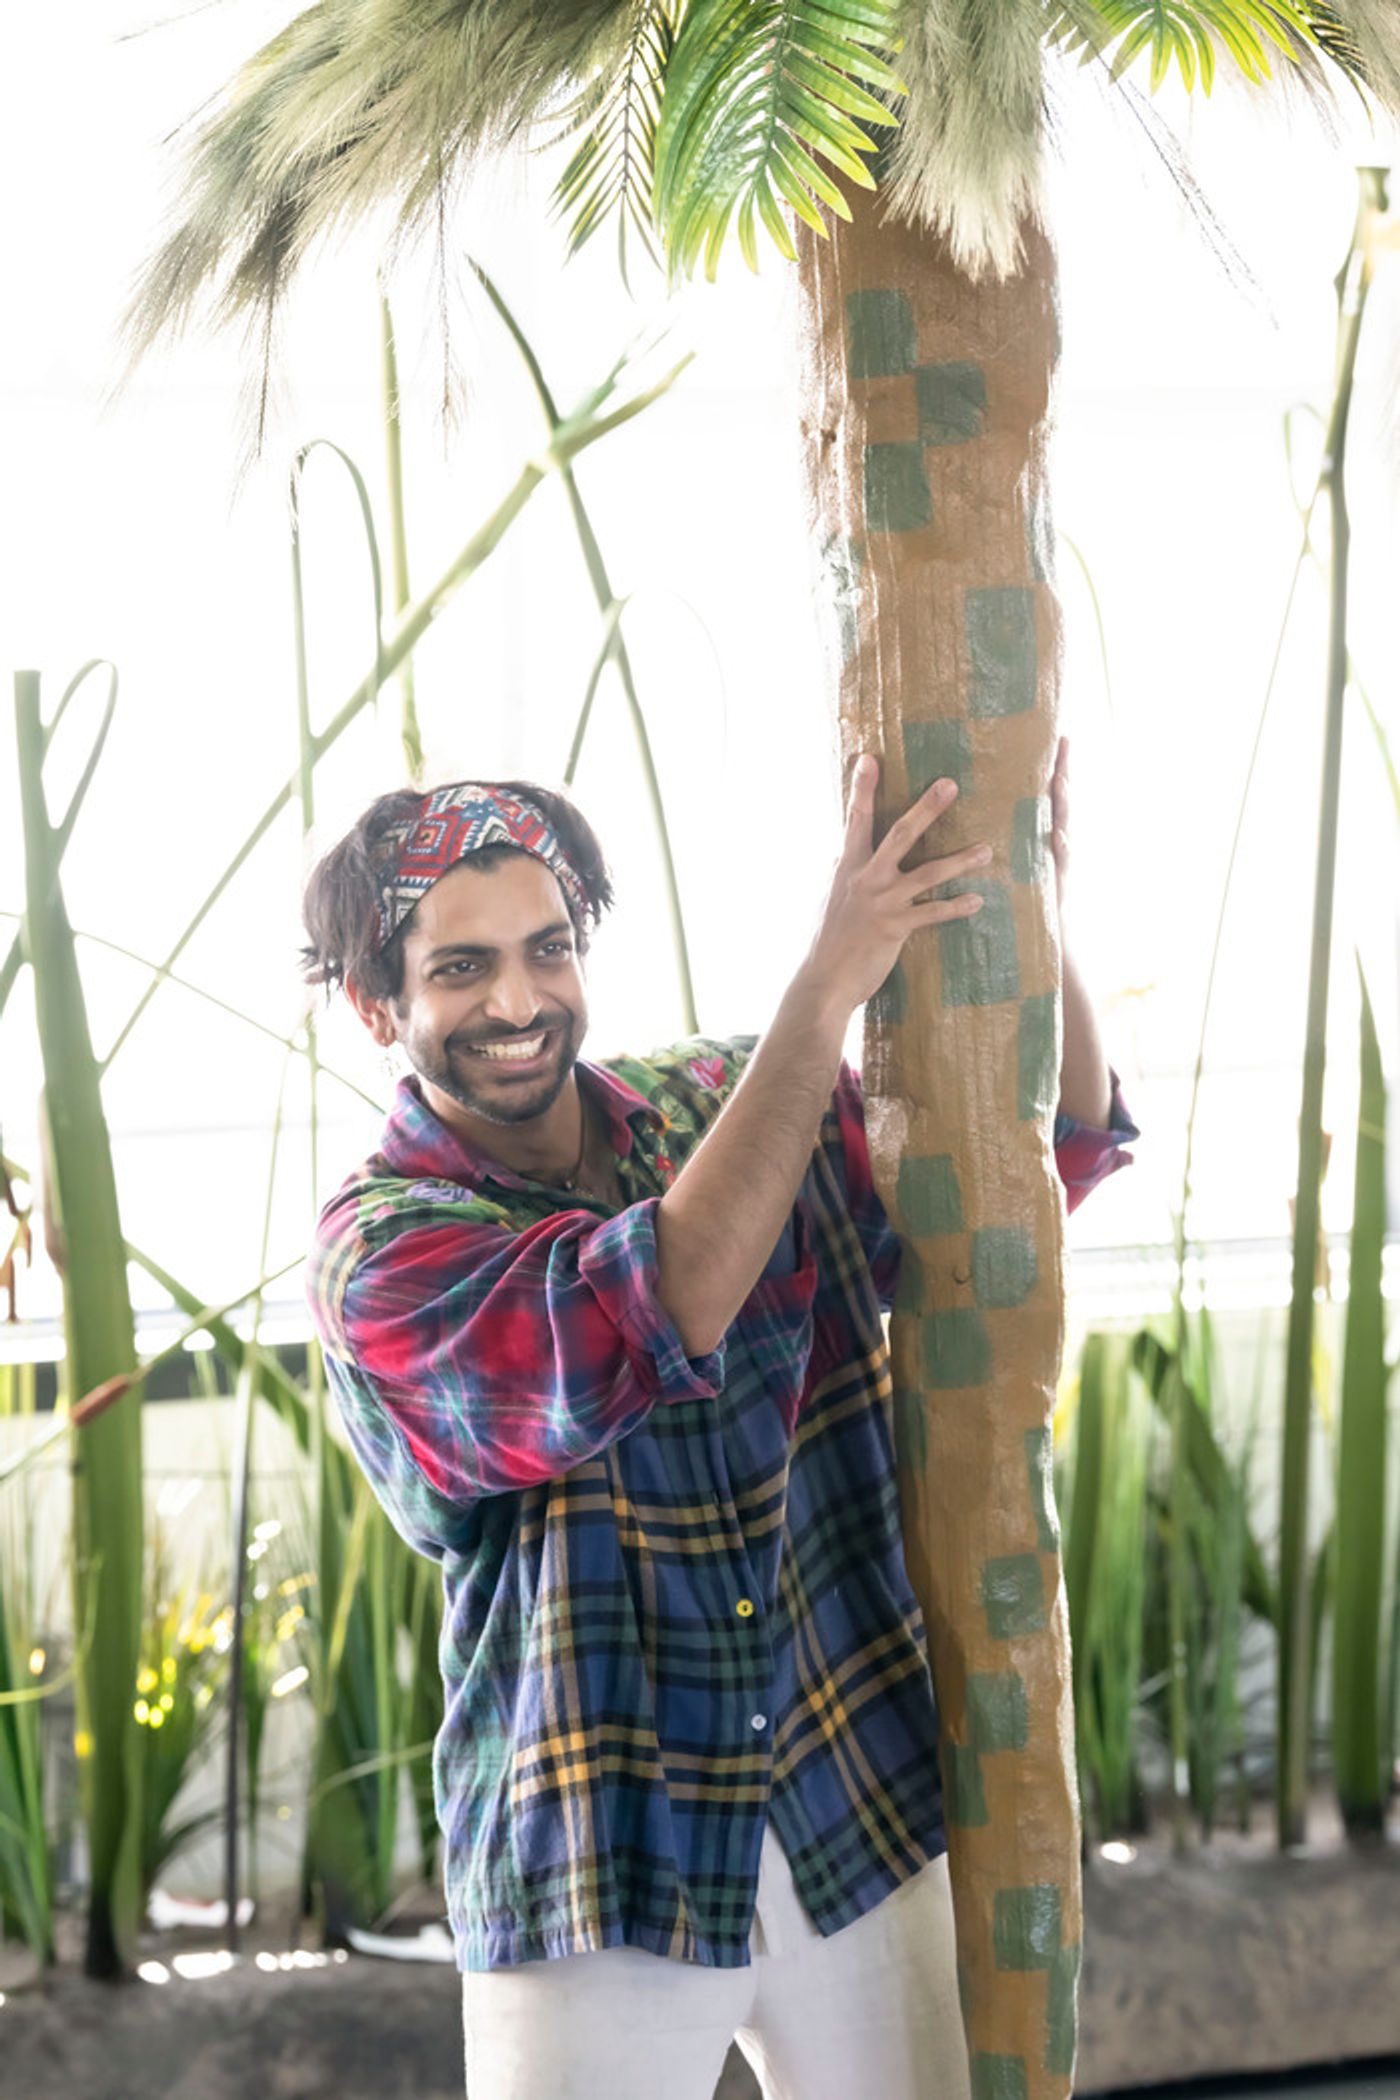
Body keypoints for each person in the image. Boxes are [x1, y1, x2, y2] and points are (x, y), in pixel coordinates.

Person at [301, 750, 1138, 2100]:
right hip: (599, 1853)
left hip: (849, 1793)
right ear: (372, 1003)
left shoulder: (720, 1101)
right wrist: (828, 981)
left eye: (548, 949)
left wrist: (1030, 899)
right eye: (461, 968)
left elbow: (1032, 1162)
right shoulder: (380, 1251)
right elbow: (665, 1298)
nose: (517, 1002)